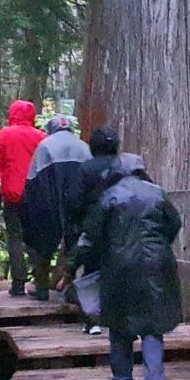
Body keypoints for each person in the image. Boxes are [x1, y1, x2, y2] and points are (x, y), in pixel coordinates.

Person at [74, 154, 182, 380]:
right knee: (152, 327)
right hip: (157, 264)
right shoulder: (157, 193)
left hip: (119, 265)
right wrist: (159, 244)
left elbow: (90, 236)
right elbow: (174, 223)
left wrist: (70, 267)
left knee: (120, 325)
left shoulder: (110, 195)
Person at [21, 116, 90, 300]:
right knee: (75, 245)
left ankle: (41, 287)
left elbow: (33, 180)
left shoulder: (45, 146)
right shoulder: (83, 146)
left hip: (48, 204)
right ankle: (72, 289)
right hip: (78, 205)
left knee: (43, 246)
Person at [0, 100, 46, 297]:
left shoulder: (5, 134)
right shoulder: (41, 137)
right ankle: (41, 282)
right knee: (36, 238)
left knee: (15, 238)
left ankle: (18, 283)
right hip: (36, 195)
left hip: (13, 195)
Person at [73, 127, 125, 335]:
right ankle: (120, 318)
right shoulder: (125, 167)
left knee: (91, 272)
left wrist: (79, 223)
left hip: (94, 229)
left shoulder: (86, 169)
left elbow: (75, 199)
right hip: (122, 229)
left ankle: (92, 320)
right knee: (120, 271)